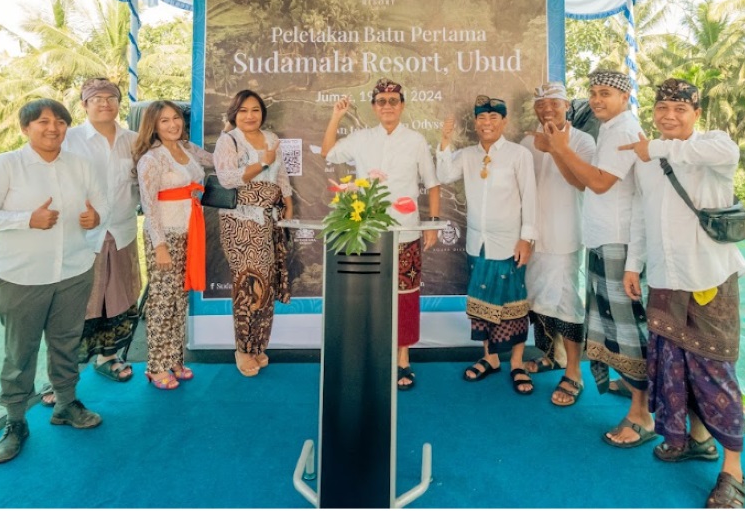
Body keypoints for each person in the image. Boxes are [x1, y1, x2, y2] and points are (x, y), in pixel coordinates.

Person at [620, 79, 745, 508]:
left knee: (715, 370)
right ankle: (694, 440)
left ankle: (733, 472)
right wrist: (631, 264)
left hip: (708, 280)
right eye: (662, 107)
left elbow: (723, 154)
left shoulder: (712, 147)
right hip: (663, 279)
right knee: (672, 367)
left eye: (680, 108)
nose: (669, 115)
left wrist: (655, 149)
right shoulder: (645, 161)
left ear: (696, 114)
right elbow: (640, 215)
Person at [0, 98, 109, 464]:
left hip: (73, 272)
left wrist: (96, 217)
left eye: (60, 121)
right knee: (20, 352)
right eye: (43, 122)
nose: (53, 128)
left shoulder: (81, 164)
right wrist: (27, 219)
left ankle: (65, 404)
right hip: (21, 276)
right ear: (25, 128)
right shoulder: (7, 165)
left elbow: (102, 204)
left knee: (66, 343)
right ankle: (15, 421)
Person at [544, 69, 652, 446]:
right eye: (592, 92)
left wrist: (561, 149)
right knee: (611, 326)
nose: (596, 99)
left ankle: (642, 415)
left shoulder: (623, 130)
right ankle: (631, 387)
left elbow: (601, 182)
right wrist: (560, 153)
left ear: (625, 97)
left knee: (627, 328)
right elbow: (581, 180)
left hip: (619, 244)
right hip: (603, 240)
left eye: (605, 92)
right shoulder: (609, 129)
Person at [321, 78, 441, 390]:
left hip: (406, 229)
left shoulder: (415, 140)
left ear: (402, 105)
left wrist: (433, 221)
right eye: (381, 101)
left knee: (405, 294)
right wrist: (336, 116)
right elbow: (328, 152)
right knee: (368, 296)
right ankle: (371, 356)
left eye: (393, 100)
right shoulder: (361, 138)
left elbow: (431, 182)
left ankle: (403, 359)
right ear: (374, 107)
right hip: (367, 230)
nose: (387, 106)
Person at [437, 95, 537, 395]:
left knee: (512, 303)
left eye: (494, 118)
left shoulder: (519, 155)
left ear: (504, 122)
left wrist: (527, 238)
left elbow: (531, 198)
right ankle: (489, 358)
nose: (487, 123)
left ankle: (517, 363)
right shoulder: (467, 155)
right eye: (482, 118)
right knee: (481, 303)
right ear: (476, 123)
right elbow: (443, 174)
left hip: (509, 242)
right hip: (477, 242)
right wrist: (444, 141)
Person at [519, 82, 595, 406]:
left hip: (566, 235)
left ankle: (574, 373)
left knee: (567, 305)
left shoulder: (583, 140)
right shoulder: (526, 141)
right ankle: (552, 356)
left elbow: (581, 182)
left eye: (554, 103)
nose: (547, 109)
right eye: (541, 104)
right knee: (537, 300)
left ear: (567, 105)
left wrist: (555, 148)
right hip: (534, 237)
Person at [61, 78, 141, 385]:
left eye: (111, 97)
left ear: (119, 103)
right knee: (79, 301)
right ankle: (63, 374)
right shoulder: (69, 139)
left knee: (117, 295)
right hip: (82, 236)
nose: (105, 102)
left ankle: (108, 357)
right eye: (97, 98)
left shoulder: (134, 140)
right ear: (84, 105)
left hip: (121, 231)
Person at [214, 89, 294, 377]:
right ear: (235, 113)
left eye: (255, 110)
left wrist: (288, 203)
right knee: (250, 284)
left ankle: (259, 344)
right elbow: (227, 178)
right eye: (244, 110)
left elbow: (282, 174)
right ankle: (243, 349)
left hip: (270, 220)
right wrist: (263, 162)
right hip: (240, 222)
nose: (250, 116)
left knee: (268, 283)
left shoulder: (271, 139)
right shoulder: (229, 140)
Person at [133, 101, 214, 390]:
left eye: (176, 118)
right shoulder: (151, 159)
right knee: (162, 301)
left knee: (180, 299)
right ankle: (155, 366)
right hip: (165, 234)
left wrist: (232, 135)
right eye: (164, 120)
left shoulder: (188, 149)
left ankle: (175, 359)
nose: (172, 124)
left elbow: (216, 161)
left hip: (190, 231)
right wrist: (160, 245)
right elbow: (149, 205)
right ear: (153, 125)